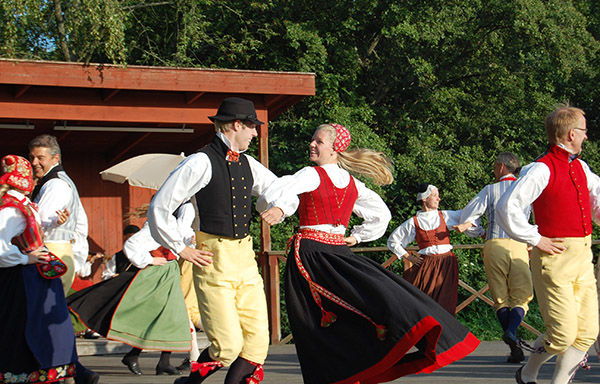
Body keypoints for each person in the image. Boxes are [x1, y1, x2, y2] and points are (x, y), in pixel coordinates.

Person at [258, 123, 480, 384]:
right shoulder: (353, 183)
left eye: (318, 141)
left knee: (314, 324)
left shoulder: (311, 174)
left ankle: (335, 374)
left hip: (311, 255)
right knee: (357, 306)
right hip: (338, 252)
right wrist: (355, 236)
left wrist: (281, 209)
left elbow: (282, 190)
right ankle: (354, 368)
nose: (312, 144)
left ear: (335, 148)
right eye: (313, 140)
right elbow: (381, 215)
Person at [147, 97, 288, 384]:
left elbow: (279, 189)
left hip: (245, 260)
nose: (255, 133)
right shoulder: (200, 162)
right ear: (237, 125)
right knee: (228, 346)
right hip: (214, 260)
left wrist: (279, 207)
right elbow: (159, 207)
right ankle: (187, 382)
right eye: (251, 126)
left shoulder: (249, 164)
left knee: (257, 344)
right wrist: (181, 248)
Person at [497, 106, 600, 384]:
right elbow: (507, 206)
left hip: (583, 256)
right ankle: (529, 371)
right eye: (584, 131)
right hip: (554, 259)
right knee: (563, 334)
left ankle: (552, 381)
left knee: (588, 332)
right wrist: (535, 237)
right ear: (570, 134)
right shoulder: (541, 168)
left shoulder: (580, 167)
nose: (586, 137)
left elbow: (596, 202)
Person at [68, 203, 196, 376]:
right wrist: (150, 260)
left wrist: (190, 243)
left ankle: (154, 360)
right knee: (160, 316)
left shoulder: (176, 226)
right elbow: (132, 245)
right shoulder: (157, 225)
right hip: (155, 274)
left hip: (170, 272)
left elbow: (181, 245)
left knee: (170, 317)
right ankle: (144, 358)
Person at [0, 155, 78, 383]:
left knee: (50, 328)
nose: (35, 180)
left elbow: (29, 231)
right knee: (26, 329)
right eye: (32, 177)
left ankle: (62, 372)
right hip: (20, 278)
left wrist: (54, 223)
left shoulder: (22, 205)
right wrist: (27, 259)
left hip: (33, 276)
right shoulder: (11, 210)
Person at [457, 152, 533, 363]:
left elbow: (467, 217)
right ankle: (512, 331)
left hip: (494, 245)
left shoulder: (489, 190)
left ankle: (513, 340)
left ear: (500, 167)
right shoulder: (526, 189)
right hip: (519, 245)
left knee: (500, 298)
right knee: (522, 296)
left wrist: (479, 231)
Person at [387, 183, 484, 314]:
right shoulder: (413, 222)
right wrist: (408, 257)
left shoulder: (445, 216)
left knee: (445, 303)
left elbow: (470, 215)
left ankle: (444, 331)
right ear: (424, 198)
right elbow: (393, 241)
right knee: (423, 301)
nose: (438, 199)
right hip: (426, 264)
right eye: (434, 195)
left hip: (446, 264)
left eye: (438, 196)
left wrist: (466, 225)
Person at [28, 134, 91, 295]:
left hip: (51, 253)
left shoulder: (56, 184)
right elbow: (82, 223)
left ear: (55, 158)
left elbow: (37, 223)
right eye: (32, 157)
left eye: (40, 157)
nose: (34, 163)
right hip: (61, 251)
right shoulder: (61, 181)